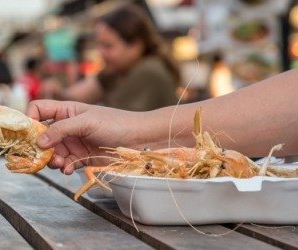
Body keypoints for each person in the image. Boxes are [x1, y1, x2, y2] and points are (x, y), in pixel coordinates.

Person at [27, 69, 298, 175]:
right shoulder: (111, 76)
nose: (104, 54)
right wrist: (137, 136)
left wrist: (137, 133)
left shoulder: (148, 73)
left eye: (110, 45)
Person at [63, 5, 179, 111]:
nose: (101, 52)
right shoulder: (117, 71)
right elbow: (73, 97)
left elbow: (120, 124)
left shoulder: (148, 71)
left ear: (135, 45)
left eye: (108, 46)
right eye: (99, 45)